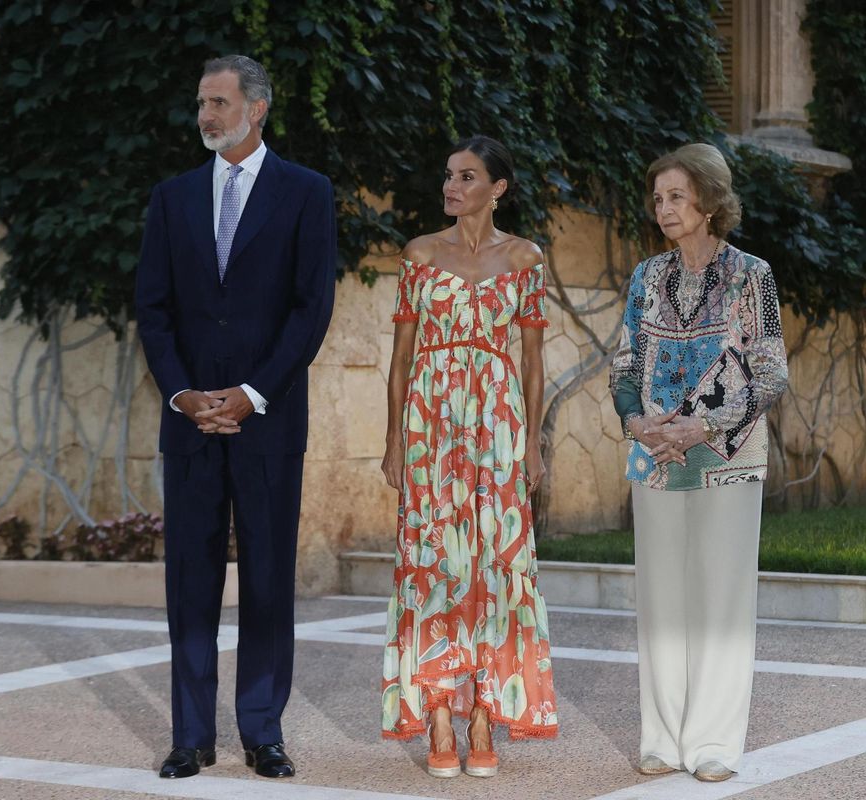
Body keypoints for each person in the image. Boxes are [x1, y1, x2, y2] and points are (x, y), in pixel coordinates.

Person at [134, 54, 336, 780]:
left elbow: (311, 309)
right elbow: (153, 310)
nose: (205, 116)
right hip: (189, 423)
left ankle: (262, 731)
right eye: (200, 104)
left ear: (257, 109)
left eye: (218, 103)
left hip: (268, 421)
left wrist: (250, 395)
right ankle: (190, 736)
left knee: (268, 580)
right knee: (189, 580)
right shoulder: (172, 197)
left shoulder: (307, 194)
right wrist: (185, 395)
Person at [379, 135, 559, 778]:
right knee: (433, 562)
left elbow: (534, 363)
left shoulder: (526, 258)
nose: (451, 186)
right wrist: (395, 441)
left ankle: (483, 712)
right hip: (431, 422)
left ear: (497, 188)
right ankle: (435, 717)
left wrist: (533, 441)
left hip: (497, 423)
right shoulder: (420, 253)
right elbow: (401, 361)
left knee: (494, 566)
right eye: (448, 175)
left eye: (466, 176)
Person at [609, 143, 788, 783]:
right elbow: (625, 364)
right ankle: (661, 737)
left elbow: (771, 373)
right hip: (654, 454)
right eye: (658, 198)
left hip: (727, 456)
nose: (664, 209)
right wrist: (636, 421)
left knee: (721, 599)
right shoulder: (646, 278)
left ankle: (712, 742)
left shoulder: (752, 276)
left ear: (710, 202)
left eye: (676, 196)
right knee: (660, 600)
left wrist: (704, 424)